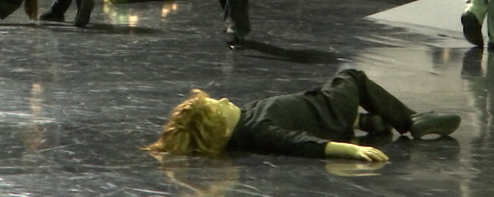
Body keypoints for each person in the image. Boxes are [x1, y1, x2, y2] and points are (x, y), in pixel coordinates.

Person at [145, 69, 460, 160]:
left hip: (325, 114)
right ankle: (411, 120)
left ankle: (365, 121)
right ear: (222, 130)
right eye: (219, 105)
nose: (225, 98)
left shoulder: (245, 121)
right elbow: (299, 142)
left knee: (344, 95)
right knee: (351, 78)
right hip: (329, 110)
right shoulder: (257, 128)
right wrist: (351, 149)